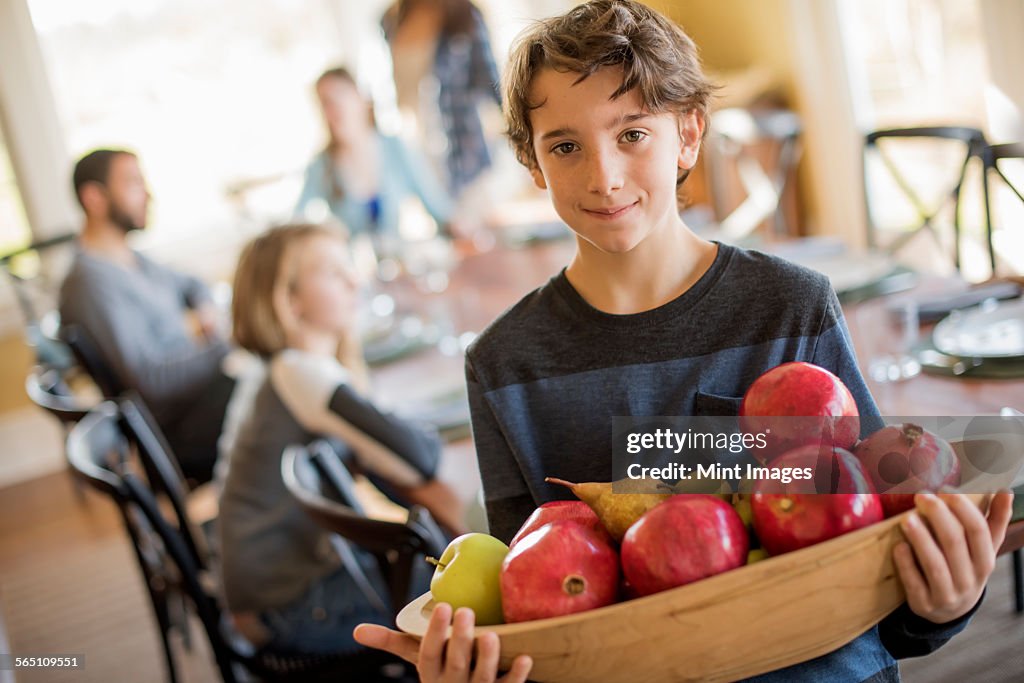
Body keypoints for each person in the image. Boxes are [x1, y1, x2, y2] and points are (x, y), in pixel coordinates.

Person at [354, 2, 1015, 681]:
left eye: (632, 133)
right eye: (564, 146)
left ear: (690, 134)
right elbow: (534, 615)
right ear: (531, 163)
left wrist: (944, 603)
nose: (603, 176)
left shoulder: (790, 307)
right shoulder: (502, 364)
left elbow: (881, 550)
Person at [219, 223, 468, 657]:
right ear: (289, 299)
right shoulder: (300, 373)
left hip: (269, 590)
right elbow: (419, 458)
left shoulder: (283, 367)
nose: (354, 280)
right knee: (475, 589)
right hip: (290, 608)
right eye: (333, 273)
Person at [59, 148, 233, 485]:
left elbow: (192, 283)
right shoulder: (91, 283)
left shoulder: (128, 257)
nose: (148, 194)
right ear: (94, 197)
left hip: (202, 395)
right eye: (133, 183)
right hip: (181, 429)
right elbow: (150, 382)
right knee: (286, 400)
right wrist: (228, 344)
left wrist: (206, 314)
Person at [295, 67, 456, 240]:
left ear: (361, 98)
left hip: (400, 259)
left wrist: (458, 226)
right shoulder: (321, 165)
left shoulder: (395, 147)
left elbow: (436, 204)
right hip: (354, 264)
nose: (334, 109)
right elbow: (297, 222)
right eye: (325, 103)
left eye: (340, 96)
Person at [381, 0, 502, 197]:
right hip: (417, 147)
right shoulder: (390, 20)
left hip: (465, 147)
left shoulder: (465, 14)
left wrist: (524, 136)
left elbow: (489, 78)